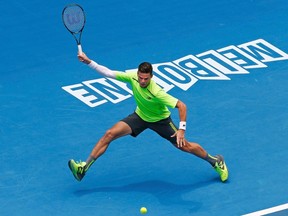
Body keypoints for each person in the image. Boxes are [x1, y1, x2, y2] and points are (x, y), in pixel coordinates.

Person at [68, 52, 229, 182]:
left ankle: (215, 161)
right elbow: (109, 73)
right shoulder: (132, 77)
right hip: (140, 116)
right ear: (137, 74)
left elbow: (182, 105)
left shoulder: (156, 91)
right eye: (140, 78)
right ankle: (84, 168)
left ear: (151, 77)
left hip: (161, 121)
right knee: (109, 134)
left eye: (146, 78)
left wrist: (181, 129)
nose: (142, 81)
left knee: (184, 146)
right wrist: (89, 62)